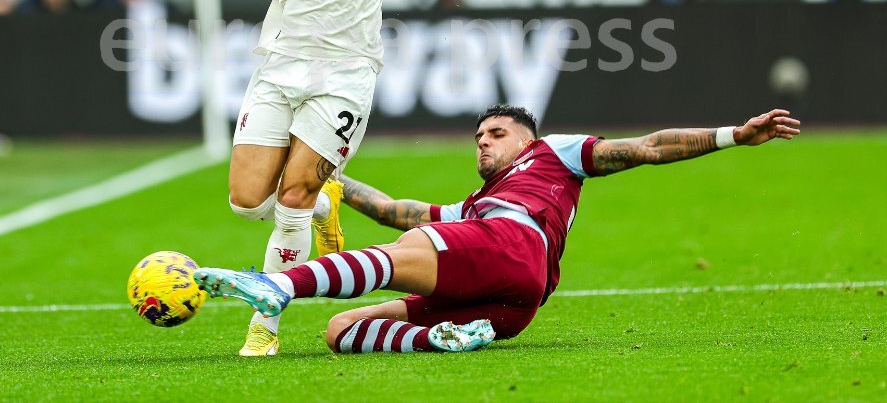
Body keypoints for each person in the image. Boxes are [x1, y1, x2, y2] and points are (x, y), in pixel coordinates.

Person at [175, 0, 471, 356]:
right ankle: (323, 203)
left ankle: (265, 326)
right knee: (246, 200)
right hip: (281, 63)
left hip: (348, 71)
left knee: (291, 196)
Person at [194, 104, 801, 354]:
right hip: (513, 303)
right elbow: (395, 208)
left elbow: (644, 147)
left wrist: (730, 137)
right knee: (342, 330)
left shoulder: (554, 156)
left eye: (497, 133)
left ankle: (279, 287)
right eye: (479, 136)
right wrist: (323, 178)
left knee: (409, 250)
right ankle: (446, 339)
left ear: (528, 139)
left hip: (514, 248)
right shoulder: (480, 202)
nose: (483, 142)